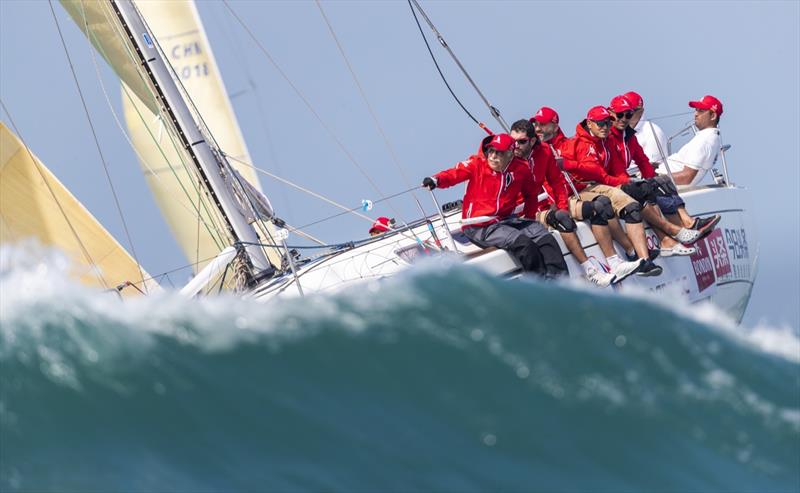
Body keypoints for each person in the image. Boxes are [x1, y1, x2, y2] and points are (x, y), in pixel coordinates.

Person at [510, 119, 640, 286]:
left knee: (596, 208)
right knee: (561, 219)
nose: (516, 146)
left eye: (521, 142)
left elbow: (556, 182)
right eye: (513, 141)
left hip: (542, 206)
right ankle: (590, 270)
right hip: (521, 214)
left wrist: (563, 207)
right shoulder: (506, 156)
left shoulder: (544, 152)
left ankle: (614, 262)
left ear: (532, 140)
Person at [421, 133, 568, 279]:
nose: (492, 156)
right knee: (523, 243)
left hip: (506, 220)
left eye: (499, 153)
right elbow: (454, 174)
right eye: (491, 151)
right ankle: (540, 287)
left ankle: (561, 281)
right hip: (479, 226)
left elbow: (530, 195)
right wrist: (436, 180)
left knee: (542, 234)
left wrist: (529, 219)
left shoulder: (521, 169)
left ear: (510, 154)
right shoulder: (476, 164)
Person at [532, 106, 652, 274]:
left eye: (543, 124)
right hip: (549, 205)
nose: (538, 129)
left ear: (555, 125)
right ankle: (625, 256)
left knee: (626, 197)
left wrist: (567, 164)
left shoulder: (572, 144)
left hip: (574, 194)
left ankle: (634, 256)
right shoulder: (536, 153)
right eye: (536, 125)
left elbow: (593, 170)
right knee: (598, 205)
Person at [558, 105, 671, 276]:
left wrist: (630, 181)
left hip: (598, 185)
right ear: (589, 123)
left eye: (607, 123)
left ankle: (649, 253)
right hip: (577, 192)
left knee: (641, 194)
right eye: (600, 124)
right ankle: (637, 249)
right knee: (605, 204)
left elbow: (616, 170)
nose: (605, 127)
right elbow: (595, 172)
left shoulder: (606, 141)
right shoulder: (578, 143)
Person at [606, 96, 708, 256]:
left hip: (620, 179)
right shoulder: (608, 135)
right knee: (643, 190)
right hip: (606, 183)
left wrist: (652, 178)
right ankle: (670, 235)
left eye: (628, 114)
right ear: (610, 113)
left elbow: (642, 160)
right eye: (620, 115)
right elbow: (613, 170)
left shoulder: (627, 135)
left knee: (660, 180)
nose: (624, 119)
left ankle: (686, 224)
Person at [658, 95, 724, 186]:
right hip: (660, 177)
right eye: (696, 110)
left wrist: (654, 180)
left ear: (713, 116)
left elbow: (687, 177)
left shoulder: (703, 141)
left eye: (701, 111)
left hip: (660, 185)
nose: (695, 114)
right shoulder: (712, 138)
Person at [625, 91, 669, 165]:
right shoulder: (619, 131)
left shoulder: (653, 132)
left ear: (641, 111)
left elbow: (652, 167)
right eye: (621, 112)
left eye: (629, 111)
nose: (624, 115)